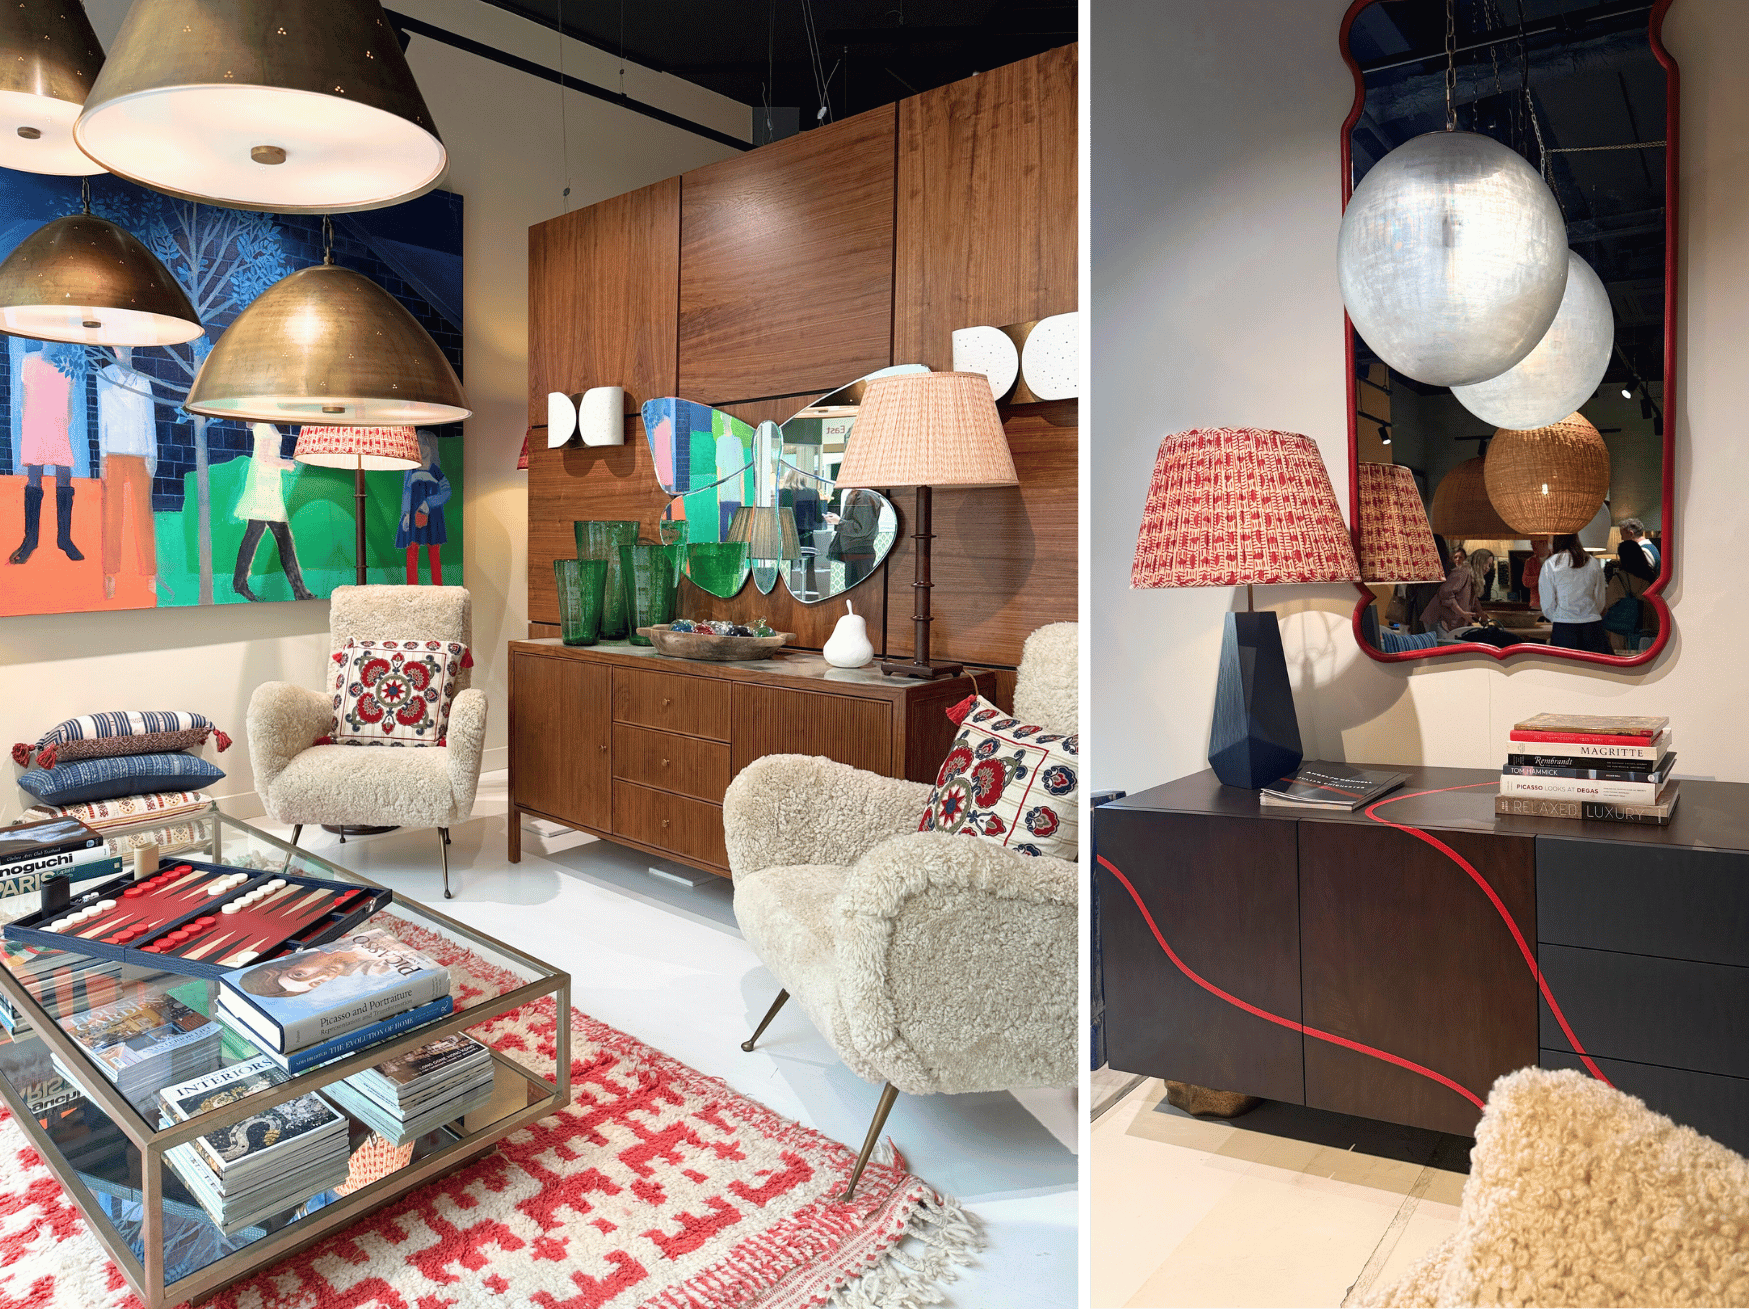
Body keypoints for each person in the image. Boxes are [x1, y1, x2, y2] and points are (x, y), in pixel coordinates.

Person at [9, 342, 83, 565]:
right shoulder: (29, 362)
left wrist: (62, 421)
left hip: (58, 424)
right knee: (34, 477)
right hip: (35, 423)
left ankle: (64, 539)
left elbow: (69, 400)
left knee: (64, 475)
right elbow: (24, 397)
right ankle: (30, 539)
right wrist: (29, 423)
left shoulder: (68, 365)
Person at [96, 346, 157, 600]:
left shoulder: (142, 381)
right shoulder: (104, 376)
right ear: (113, 349)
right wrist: (102, 456)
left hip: (139, 452)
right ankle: (110, 573)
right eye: (118, 345)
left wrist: (152, 454)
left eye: (126, 345)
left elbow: (149, 418)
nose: (122, 349)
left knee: (143, 512)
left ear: (132, 348)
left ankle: (151, 573)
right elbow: (103, 418)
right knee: (112, 514)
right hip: (114, 452)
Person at [231, 422, 314, 602]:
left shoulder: (265, 425)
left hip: (266, 485)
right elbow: (263, 458)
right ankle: (299, 591)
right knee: (282, 538)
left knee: (254, 535)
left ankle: (239, 583)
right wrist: (285, 464)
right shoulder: (263, 427)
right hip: (264, 488)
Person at [396, 430, 451, 585]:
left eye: (425, 446)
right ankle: (412, 589)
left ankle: (438, 589)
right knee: (412, 550)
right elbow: (406, 492)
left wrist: (429, 503)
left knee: (434, 552)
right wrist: (406, 513)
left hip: (433, 516)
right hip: (413, 515)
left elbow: (447, 492)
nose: (422, 450)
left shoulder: (435, 471)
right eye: (419, 446)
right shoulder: (410, 470)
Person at [1540, 533, 1609, 653]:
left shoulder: (1551, 564)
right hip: (1593, 627)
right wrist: (1589, 613)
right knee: (1595, 670)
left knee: (1565, 670)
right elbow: (1600, 599)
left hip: (1564, 628)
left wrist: (1559, 616)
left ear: (1557, 539)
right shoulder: (1592, 562)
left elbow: (1547, 604)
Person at [1420, 546, 1490, 644]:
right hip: (1440, 620)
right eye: (1487, 564)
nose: (1488, 568)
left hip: (1450, 622)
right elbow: (1445, 593)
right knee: (1442, 653)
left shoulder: (1472, 576)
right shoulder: (1463, 572)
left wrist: (1480, 613)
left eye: (1490, 565)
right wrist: (1462, 613)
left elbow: (1473, 599)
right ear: (1479, 562)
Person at [825, 488, 879, 586]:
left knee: (858, 593)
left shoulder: (864, 496)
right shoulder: (861, 495)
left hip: (859, 553)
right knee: (856, 592)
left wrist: (839, 522)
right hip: (856, 552)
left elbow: (861, 528)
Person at [1617, 517, 1660, 584]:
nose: (1622, 538)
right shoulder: (1649, 547)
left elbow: (1640, 580)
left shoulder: (1644, 551)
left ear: (1631, 534)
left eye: (1622, 535)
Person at [1521, 537, 1551, 613]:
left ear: (1544, 543)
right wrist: (1543, 578)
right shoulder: (1530, 561)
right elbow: (1525, 581)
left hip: (1552, 605)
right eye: (1532, 544)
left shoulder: (1556, 560)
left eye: (1535, 544)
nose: (1533, 547)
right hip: (1536, 605)